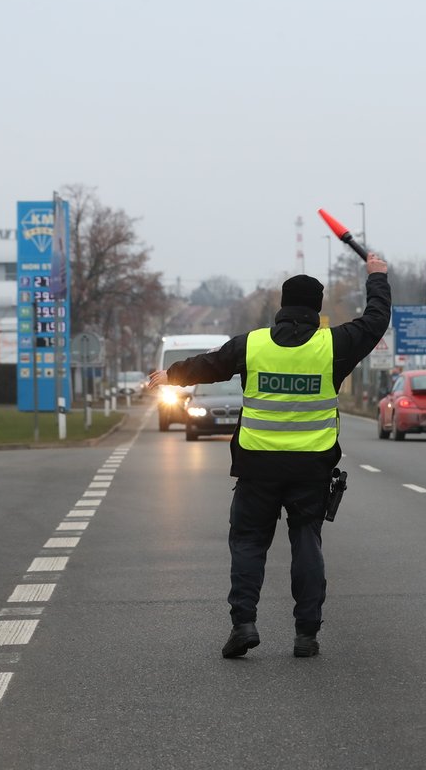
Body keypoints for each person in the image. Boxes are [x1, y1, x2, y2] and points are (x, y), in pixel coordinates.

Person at [147, 253, 391, 659]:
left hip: (257, 467)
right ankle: (306, 634)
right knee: (306, 543)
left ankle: (243, 624)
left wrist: (171, 374)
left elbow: (211, 364)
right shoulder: (334, 346)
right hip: (311, 468)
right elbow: (375, 320)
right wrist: (377, 278)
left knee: (247, 543)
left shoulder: (253, 344)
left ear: (282, 305)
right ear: (317, 309)